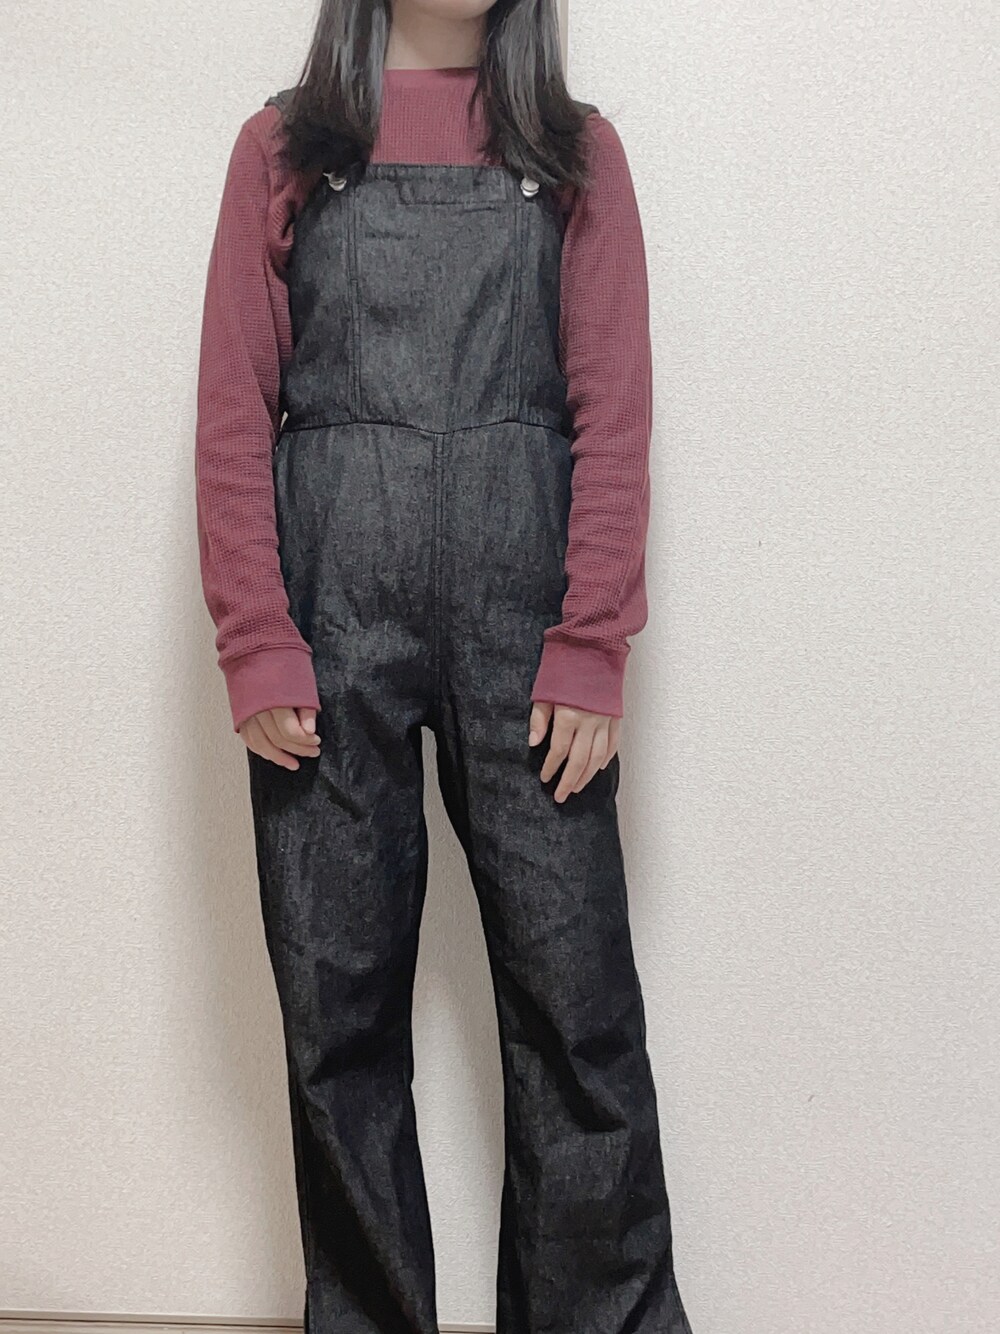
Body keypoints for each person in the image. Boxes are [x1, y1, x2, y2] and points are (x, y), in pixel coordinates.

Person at [194, 1, 693, 1331]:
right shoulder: (283, 151)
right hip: (326, 630)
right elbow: (235, 409)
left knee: (578, 1013)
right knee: (336, 1019)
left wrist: (592, 640)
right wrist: (257, 636)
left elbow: (614, 410)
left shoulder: (574, 153)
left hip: (532, 640)